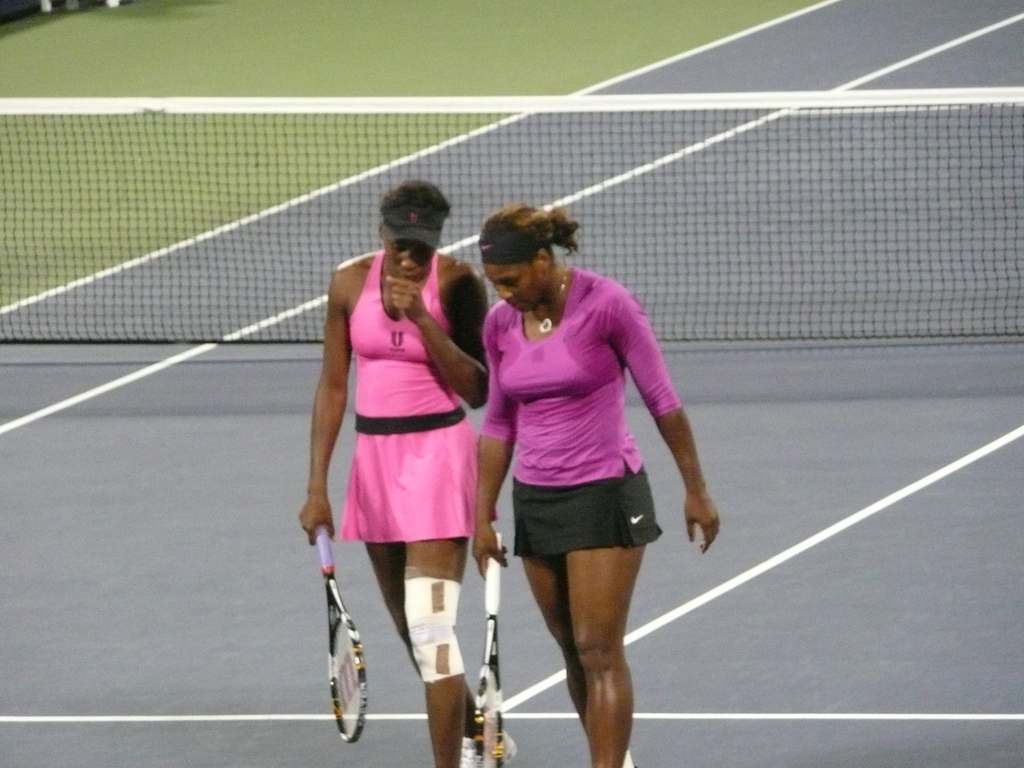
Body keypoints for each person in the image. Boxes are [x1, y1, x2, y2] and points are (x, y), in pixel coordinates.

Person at [472, 203, 721, 768]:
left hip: (604, 492)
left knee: (598, 649)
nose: (503, 293)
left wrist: (695, 488)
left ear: (542, 260)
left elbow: (663, 400)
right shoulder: (500, 324)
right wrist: (480, 514)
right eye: (495, 283)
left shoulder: (608, 304)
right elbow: (499, 423)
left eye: (510, 280)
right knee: (572, 650)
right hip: (535, 499)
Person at [299, 179, 496, 768]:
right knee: (413, 632)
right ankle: (483, 733)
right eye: (401, 244)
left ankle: (458, 759)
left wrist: (423, 320)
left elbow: (478, 389)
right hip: (376, 469)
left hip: (439, 462)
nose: (411, 258)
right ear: (380, 233)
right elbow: (333, 387)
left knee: (433, 630)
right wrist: (317, 487)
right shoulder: (347, 284)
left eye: (423, 247)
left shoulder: (459, 283)